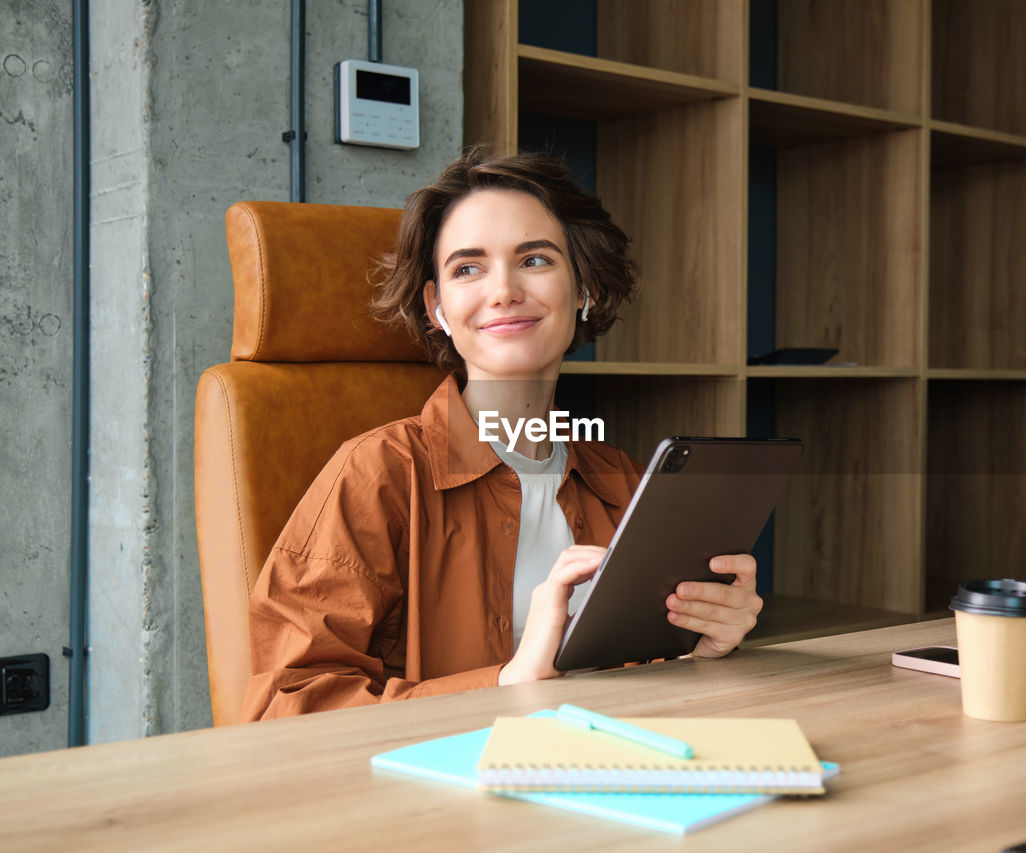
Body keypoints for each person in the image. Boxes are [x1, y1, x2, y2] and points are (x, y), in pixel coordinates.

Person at [240, 148, 763, 720]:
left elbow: (644, 686)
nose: (504, 291)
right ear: (438, 308)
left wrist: (705, 649)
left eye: (535, 260)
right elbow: (280, 708)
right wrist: (509, 683)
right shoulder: (377, 474)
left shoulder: (623, 478)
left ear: (583, 287)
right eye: (467, 268)